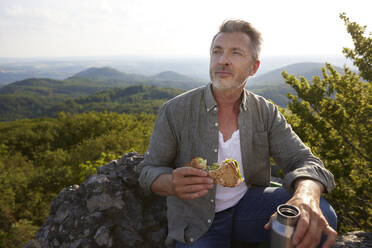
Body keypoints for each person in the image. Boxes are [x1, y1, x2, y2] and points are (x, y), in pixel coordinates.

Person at [137, 19, 337, 248]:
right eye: (217, 52)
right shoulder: (176, 110)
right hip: (197, 221)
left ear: (254, 67)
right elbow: (147, 170)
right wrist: (171, 183)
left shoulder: (265, 112)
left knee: (321, 216)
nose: (223, 60)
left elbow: (305, 160)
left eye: (236, 53)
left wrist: (306, 195)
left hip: (248, 208)